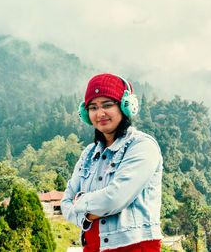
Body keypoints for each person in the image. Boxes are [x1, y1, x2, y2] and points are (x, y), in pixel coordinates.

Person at [61, 73, 164, 251]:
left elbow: (115, 198)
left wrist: (81, 202)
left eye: (107, 105)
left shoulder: (142, 146)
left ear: (126, 107)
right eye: (93, 107)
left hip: (135, 247)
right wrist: (87, 215)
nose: (100, 113)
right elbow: (65, 203)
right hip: (93, 247)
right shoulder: (88, 154)